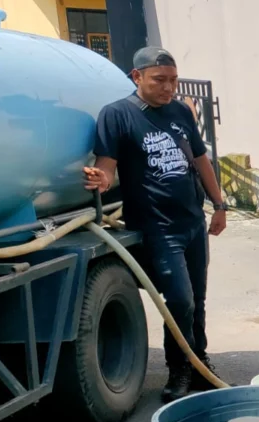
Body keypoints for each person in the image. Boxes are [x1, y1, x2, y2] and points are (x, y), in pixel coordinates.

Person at [86, 47, 229, 402]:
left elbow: (201, 160)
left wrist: (220, 204)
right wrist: (100, 180)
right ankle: (179, 369)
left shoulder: (181, 111)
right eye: (159, 80)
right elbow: (107, 165)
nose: (168, 88)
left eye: (173, 80)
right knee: (179, 301)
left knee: (198, 298)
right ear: (137, 78)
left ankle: (200, 364)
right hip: (157, 227)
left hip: (193, 222)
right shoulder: (117, 115)